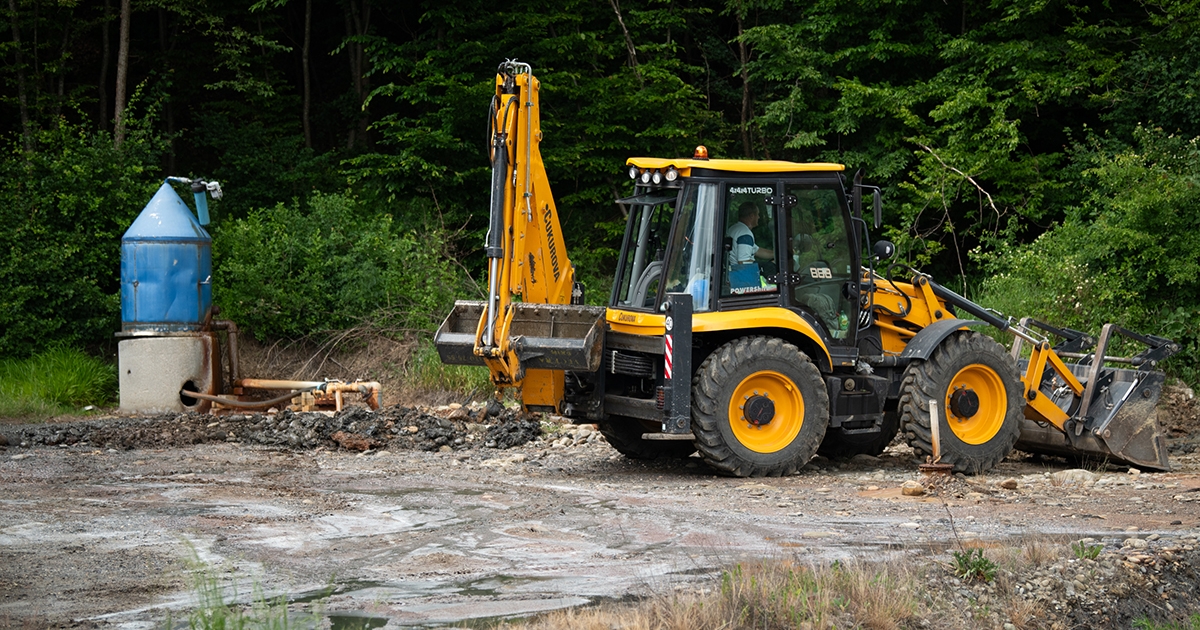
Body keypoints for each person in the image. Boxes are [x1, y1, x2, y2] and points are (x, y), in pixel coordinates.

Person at [727, 202, 774, 290]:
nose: (759, 217)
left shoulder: (735, 229)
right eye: (758, 215)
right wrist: (766, 267)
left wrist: (777, 254)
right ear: (752, 216)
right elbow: (744, 263)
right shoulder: (745, 234)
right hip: (743, 280)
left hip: (733, 276)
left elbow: (757, 251)